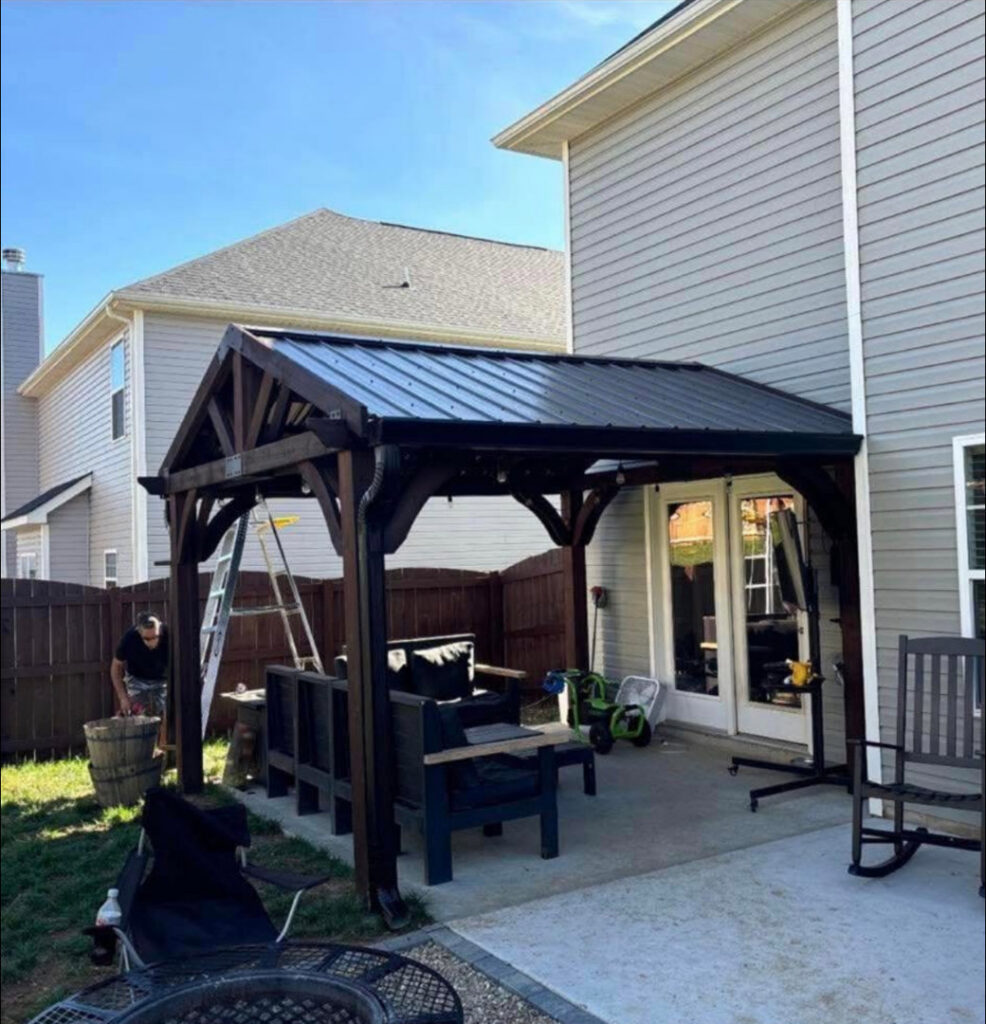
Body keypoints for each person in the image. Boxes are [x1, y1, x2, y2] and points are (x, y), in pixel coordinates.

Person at [111, 612, 170, 717]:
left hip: (162, 680)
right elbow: (116, 667)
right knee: (137, 715)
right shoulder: (129, 638)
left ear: (160, 628)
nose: (152, 642)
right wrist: (123, 698)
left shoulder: (169, 634)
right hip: (137, 680)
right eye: (147, 639)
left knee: (165, 715)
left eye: (155, 637)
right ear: (138, 631)